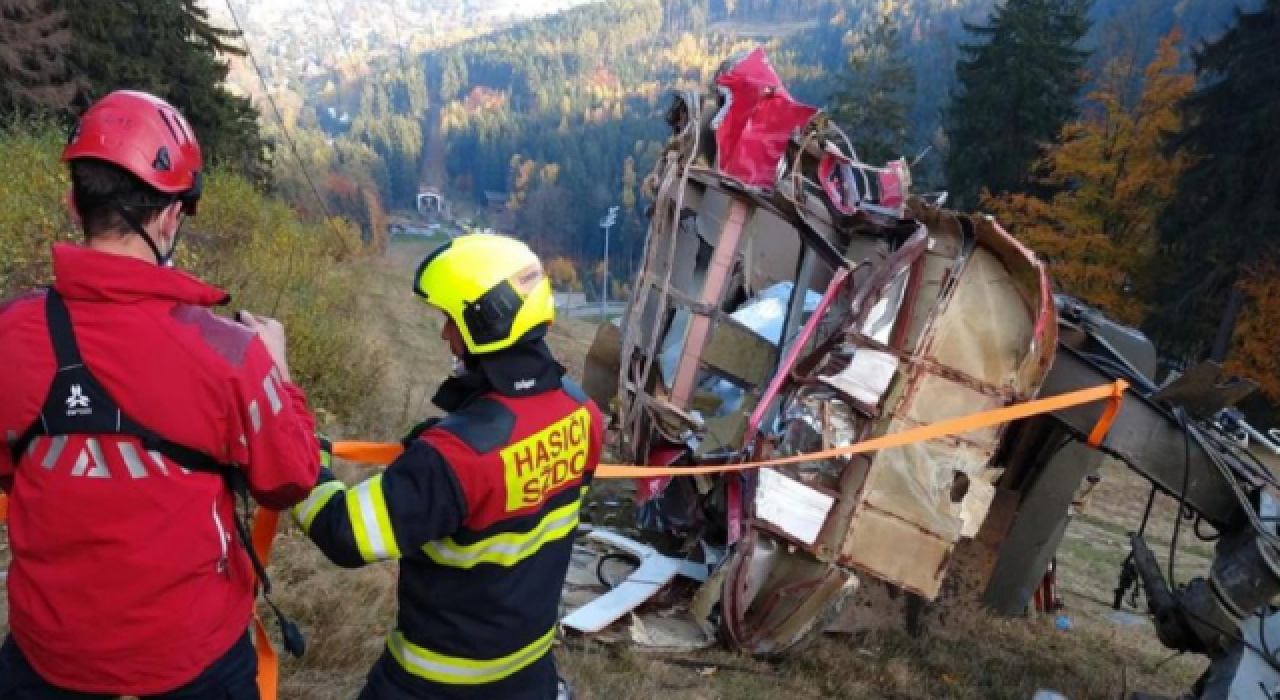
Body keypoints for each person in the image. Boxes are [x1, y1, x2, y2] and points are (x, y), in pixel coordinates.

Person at [0, 90, 321, 698]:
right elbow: (292, 478)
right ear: (171, 217)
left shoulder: (9, 333)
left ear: (75, 204)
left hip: (44, 664)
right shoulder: (231, 353)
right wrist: (279, 376)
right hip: (191, 663)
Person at [293, 233, 602, 700]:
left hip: (431, 685)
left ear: (486, 325)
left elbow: (346, 533)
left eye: (450, 320)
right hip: (530, 675)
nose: (444, 335)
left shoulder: (454, 456)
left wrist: (302, 461)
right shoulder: (584, 414)